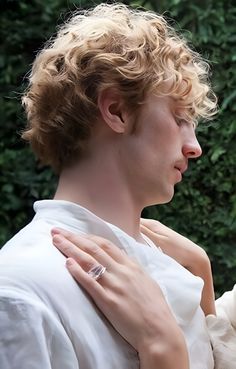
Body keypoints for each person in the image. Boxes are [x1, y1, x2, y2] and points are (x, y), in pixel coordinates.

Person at [1, 2, 231, 368]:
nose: (195, 147)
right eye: (178, 118)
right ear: (117, 111)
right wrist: (163, 352)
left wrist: (201, 278)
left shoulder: (173, 264)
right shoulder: (21, 294)